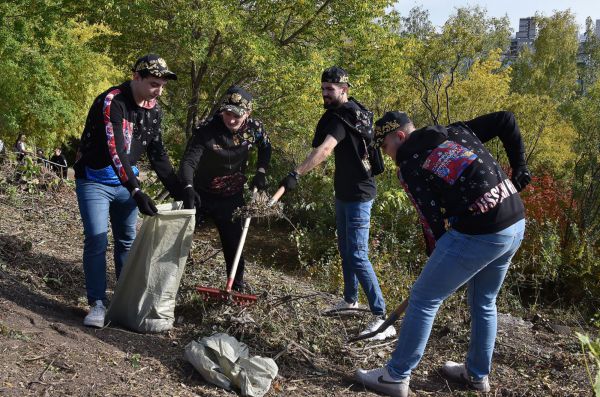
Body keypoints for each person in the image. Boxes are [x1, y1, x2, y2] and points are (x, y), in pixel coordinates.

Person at [355, 111, 531, 397]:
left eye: (385, 146)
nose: (386, 155)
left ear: (400, 136)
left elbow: (431, 220)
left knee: (424, 298)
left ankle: (395, 377)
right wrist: (519, 166)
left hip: (481, 231)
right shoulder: (455, 131)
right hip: (514, 221)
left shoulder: (410, 164)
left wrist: (435, 256)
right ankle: (476, 375)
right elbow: (507, 120)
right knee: (484, 301)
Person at [278, 66, 395, 340]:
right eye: (323, 89)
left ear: (344, 90)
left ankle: (382, 318)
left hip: (359, 195)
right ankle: (350, 300)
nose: (325, 94)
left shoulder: (342, 118)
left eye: (330, 90)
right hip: (344, 192)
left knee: (357, 254)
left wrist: (297, 173)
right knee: (345, 249)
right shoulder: (353, 112)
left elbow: (325, 149)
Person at [73, 54, 182, 328]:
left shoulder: (154, 110)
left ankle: (125, 301)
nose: (158, 90)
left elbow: (158, 155)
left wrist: (181, 188)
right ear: (137, 77)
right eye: (153, 83)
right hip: (96, 179)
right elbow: (116, 151)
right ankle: (97, 303)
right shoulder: (113, 101)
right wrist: (136, 192)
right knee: (97, 239)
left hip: (126, 182)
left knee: (127, 242)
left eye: (162, 85)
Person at [178, 86, 272, 293]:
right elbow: (188, 162)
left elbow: (266, 147)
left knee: (234, 242)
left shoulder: (255, 128)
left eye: (237, 116)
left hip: (232, 196)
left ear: (247, 113)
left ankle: (236, 286)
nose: (230, 120)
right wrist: (188, 186)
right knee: (180, 238)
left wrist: (261, 171)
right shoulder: (206, 129)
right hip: (202, 194)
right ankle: (169, 279)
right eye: (227, 113)